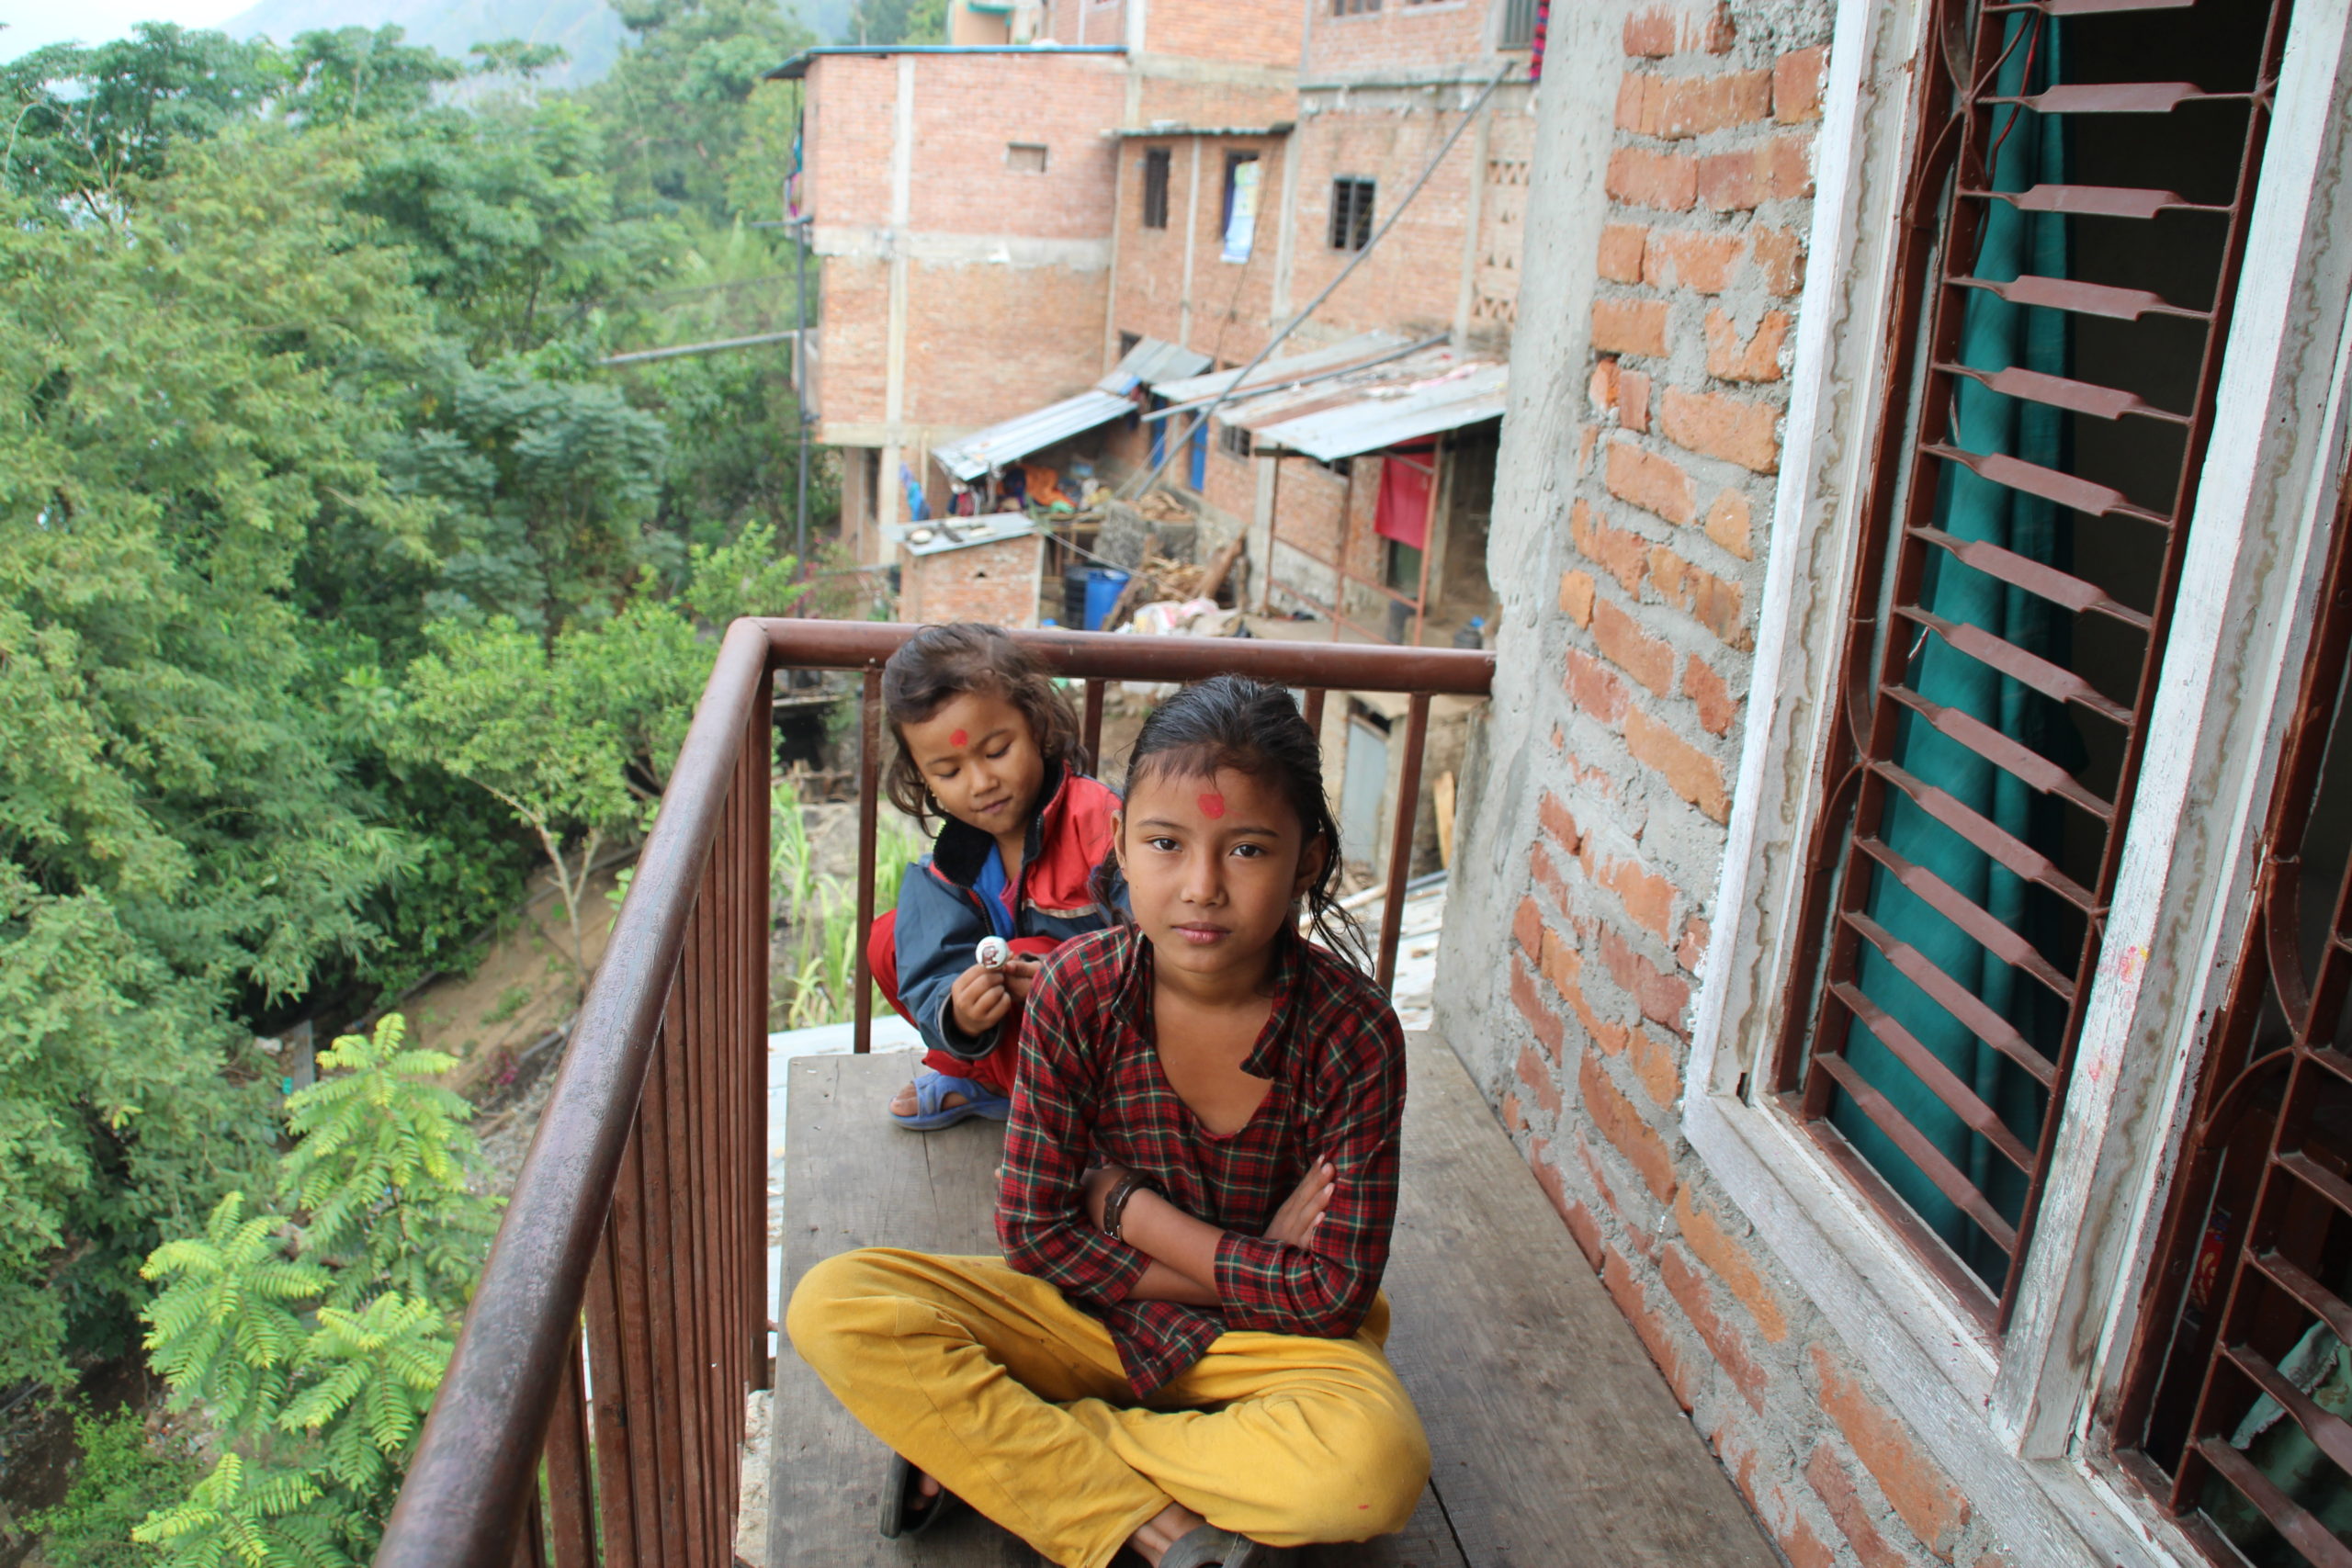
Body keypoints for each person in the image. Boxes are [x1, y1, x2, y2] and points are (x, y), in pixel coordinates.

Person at [791, 675, 1429, 1568]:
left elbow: (1332, 1295)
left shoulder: (1353, 1034)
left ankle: (1029, 1444)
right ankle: (1151, 1513)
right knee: (836, 1304)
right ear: (1123, 846)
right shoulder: (1077, 990)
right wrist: (1255, 1261)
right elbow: (1034, 1237)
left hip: (1268, 1344)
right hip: (1087, 1312)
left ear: (1307, 863)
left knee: (1372, 1469)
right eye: (1167, 843)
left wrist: (1126, 1209)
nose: (1201, 886)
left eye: (1246, 850)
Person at [870, 623, 1121, 1128]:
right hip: (1016, 1039)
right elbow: (930, 973)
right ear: (923, 779)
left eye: (997, 751)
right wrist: (959, 1015)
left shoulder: (1100, 824)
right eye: (949, 771)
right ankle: (985, 1078)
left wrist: (1063, 980)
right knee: (889, 939)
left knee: (1028, 956)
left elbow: (1157, 946)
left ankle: (1073, 1130)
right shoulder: (949, 869)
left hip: (1110, 1050)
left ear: (1038, 727)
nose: (981, 783)